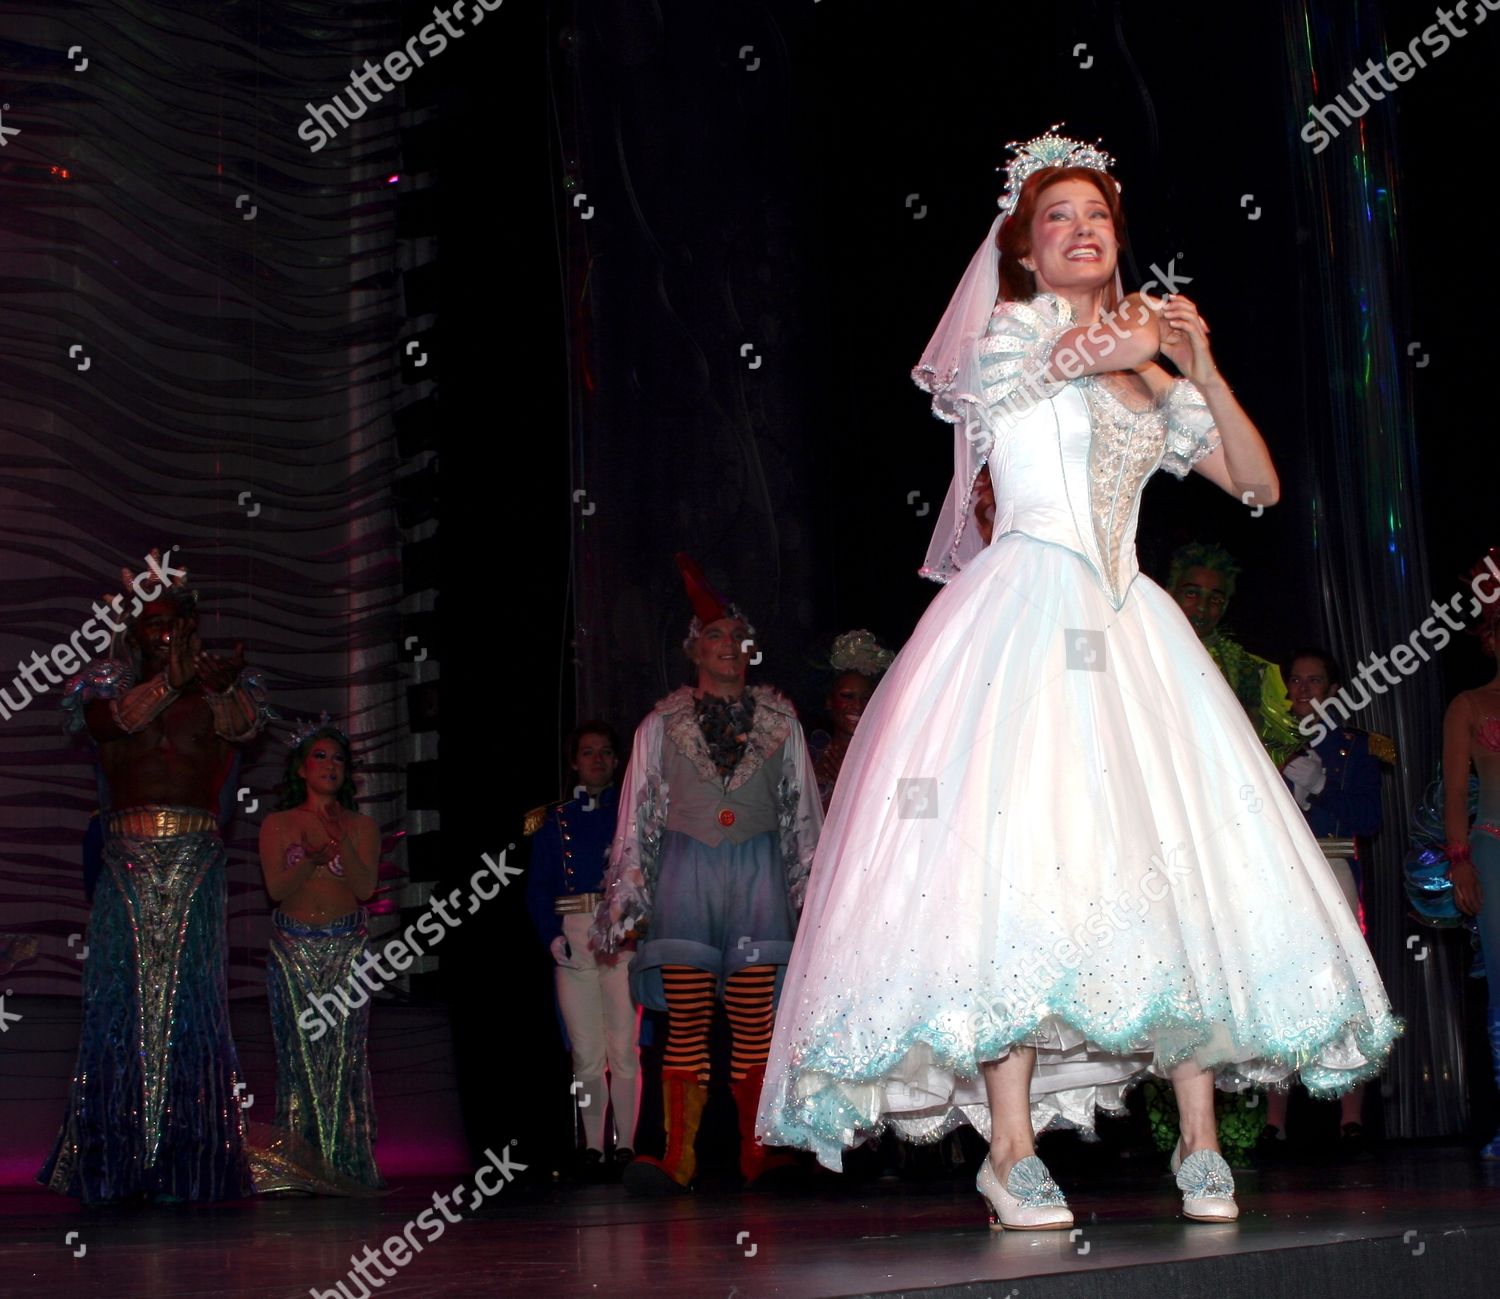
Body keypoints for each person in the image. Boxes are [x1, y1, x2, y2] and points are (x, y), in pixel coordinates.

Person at [755, 128, 1400, 1230]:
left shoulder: (1144, 363)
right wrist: (1134, 338)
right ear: (1024, 248)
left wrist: (1195, 365)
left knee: (1172, 856)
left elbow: (1255, 481)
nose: (1083, 229)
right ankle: (1010, 1151)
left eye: (1097, 214)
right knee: (1015, 862)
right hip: (1024, 614)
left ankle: (1198, 1140)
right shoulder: (1007, 335)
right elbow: (1063, 364)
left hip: (1131, 618)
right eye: (1059, 216)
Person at [42, 554, 271, 1202]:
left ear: (190, 624)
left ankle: (190, 1158)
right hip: (125, 863)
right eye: (148, 624)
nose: (160, 634)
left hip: (196, 863)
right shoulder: (104, 682)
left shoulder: (224, 685)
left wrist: (217, 687)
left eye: (171, 622)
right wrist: (172, 682)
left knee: (192, 1009)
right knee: (120, 1007)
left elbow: (247, 726)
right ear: (130, 631)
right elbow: (111, 724)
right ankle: (114, 1155)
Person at [593, 553, 822, 1195]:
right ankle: (677, 1158)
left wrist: (814, 905)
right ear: (695, 651)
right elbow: (636, 816)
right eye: (715, 636)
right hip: (685, 882)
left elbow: (805, 816)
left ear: (752, 653)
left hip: (758, 884)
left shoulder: (783, 727)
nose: (729, 646)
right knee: (686, 1023)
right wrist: (628, 905)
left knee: (757, 1023)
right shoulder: (660, 727)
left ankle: (759, 1152)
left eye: (738, 639)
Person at [1263, 648, 1393, 1152]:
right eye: (1294, 680)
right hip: (1279, 875)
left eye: (1314, 680)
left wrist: (1318, 790)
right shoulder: (1265, 743)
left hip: (1334, 867)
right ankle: (1275, 1120)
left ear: (1334, 687)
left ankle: (1351, 1117)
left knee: (1347, 987)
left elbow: (1368, 819)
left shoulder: (1357, 747)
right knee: (1277, 986)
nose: (1303, 690)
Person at [259, 718, 384, 1189]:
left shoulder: (362, 825)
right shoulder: (279, 824)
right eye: (320, 756)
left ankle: (345, 1162)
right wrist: (311, 856)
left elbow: (365, 887)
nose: (330, 765)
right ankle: (298, 1166)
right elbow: (275, 888)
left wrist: (339, 840)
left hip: (346, 948)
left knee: (344, 1057)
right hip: (293, 949)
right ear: (301, 768)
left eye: (338, 758)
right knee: (299, 1057)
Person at [525, 721, 640, 1178]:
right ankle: (593, 1146)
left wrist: (633, 926)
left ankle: (627, 1144)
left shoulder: (631, 815)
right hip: (574, 933)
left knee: (625, 1049)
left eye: (605, 752)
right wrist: (549, 933)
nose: (597, 760)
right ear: (574, 761)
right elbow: (538, 887)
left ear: (616, 761)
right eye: (588, 752)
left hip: (619, 933)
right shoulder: (553, 821)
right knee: (586, 1053)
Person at [1443, 590, 1500, 1160]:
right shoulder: (1469, 704)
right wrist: (1460, 861)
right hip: (1493, 852)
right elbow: (1457, 790)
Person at [1169, 542, 1300, 766]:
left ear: (1225, 605)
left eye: (1215, 599)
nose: (1202, 606)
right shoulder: (1140, 646)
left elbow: (1255, 740)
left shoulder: (1241, 665)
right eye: (1192, 593)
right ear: (1169, 593)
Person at [811, 630, 895, 811]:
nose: (857, 705)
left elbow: (918, 815)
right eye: (847, 696)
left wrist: (853, 781)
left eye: (866, 698)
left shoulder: (892, 756)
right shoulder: (807, 756)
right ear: (829, 701)